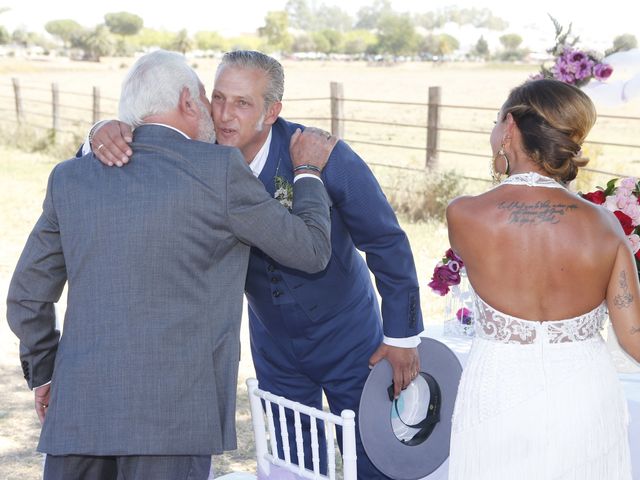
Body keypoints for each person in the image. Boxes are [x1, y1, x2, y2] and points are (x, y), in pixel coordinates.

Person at [88, 50, 423, 479]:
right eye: (220, 98)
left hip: (349, 335)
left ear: (272, 111)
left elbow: (385, 240)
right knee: (292, 461)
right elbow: (128, 150)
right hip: (271, 340)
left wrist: (402, 335)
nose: (225, 115)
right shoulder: (195, 152)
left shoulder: (318, 152)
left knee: (373, 453)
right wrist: (101, 130)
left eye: (242, 103)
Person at [6, 49, 337, 480]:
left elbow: (26, 297)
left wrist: (47, 375)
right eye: (205, 96)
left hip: (78, 411)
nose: (212, 112)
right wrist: (308, 171)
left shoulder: (70, 177)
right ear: (187, 101)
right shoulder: (218, 169)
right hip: (175, 419)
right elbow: (310, 251)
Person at [446, 78, 640, 479]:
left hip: (498, 387)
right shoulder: (605, 226)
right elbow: (633, 336)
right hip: (584, 393)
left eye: (496, 120)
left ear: (511, 127)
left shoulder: (464, 214)